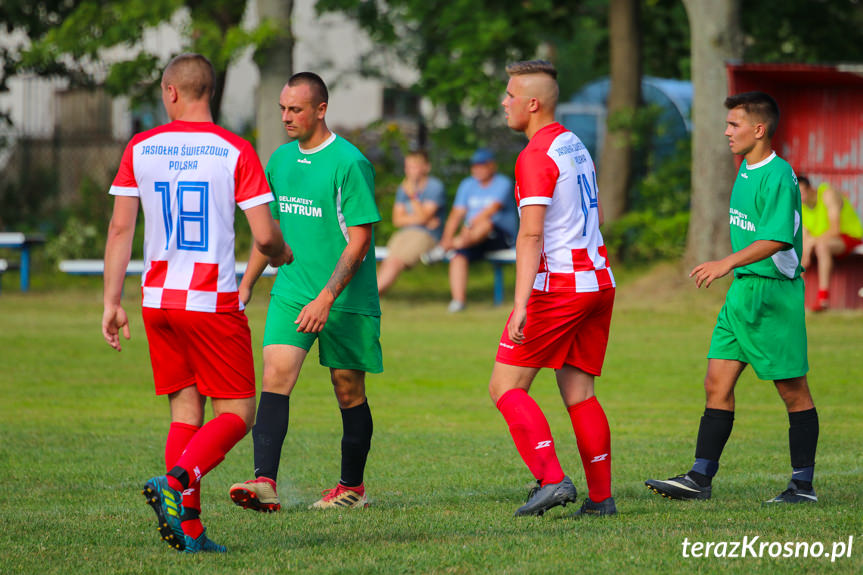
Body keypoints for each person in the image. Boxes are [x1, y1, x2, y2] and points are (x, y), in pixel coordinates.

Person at [101, 53, 293, 553]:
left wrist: (110, 301)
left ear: (171, 92)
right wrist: (281, 253)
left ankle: (189, 530)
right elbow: (266, 236)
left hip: (156, 300)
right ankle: (177, 479)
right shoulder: (234, 149)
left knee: (186, 412)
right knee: (238, 413)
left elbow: (121, 228)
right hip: (209, 300)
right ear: (210, 90)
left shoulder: (140, 146)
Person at [645, 92, 819, 504]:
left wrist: (724, 263)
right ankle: (699, 478)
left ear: (759, 130)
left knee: (793, 390)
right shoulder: (745, 167)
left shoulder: (778, 174)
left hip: (772, 295)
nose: (726, 132)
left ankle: (803, 486)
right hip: (742, 293)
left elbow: (777, 239)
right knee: (715, 383)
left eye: (733, 124)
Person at [229, 72, 382, 512]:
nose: (286, 117)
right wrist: (247, 282)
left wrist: (327, 298)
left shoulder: (349, 163)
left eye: (295, 109)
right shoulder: (279, 161)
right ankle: (264, 483)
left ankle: (351, 489)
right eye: (282, 108)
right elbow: (271, 232)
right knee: (276, 374)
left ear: (321, 109)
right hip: (293, 290)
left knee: (348, 388)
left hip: (345, 296)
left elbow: (359, 240)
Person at [491, 60, 617, 518]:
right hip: (599, 282)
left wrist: (521, 303)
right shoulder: (574, 143)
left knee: (505, 385)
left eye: (509, 94)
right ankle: (601, 500)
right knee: (579, 391)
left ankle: (551, 479)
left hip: (560, 287)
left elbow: (530, 235)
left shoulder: (534, 155)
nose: (504, 102)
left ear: (533, 103)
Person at [438, 147, 517, 312]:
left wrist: (466, 228)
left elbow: (491, 211)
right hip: (470, 239)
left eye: (482, 165)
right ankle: (458, 302)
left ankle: (450, 246)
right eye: (475, 166)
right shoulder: (467, 184)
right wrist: (446, 237)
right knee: (458, 257)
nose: (477, 169)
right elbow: (456, 214)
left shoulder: (503, 183)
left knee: (485, 224)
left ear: (492, 166)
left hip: (500, 236)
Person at [377, 150, 447, 295]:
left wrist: (412, 196)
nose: (409, 171)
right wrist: (422, 219)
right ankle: (371, 298)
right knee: (388, 261)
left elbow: (423, 218)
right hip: (405, 233)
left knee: (396, 262)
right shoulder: (404, 188)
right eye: (407, 167)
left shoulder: (434, 187)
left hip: (427, 235)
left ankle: (371, 298)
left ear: (426, 167)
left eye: (414, 166)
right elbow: (397, 220)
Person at [798, 176, 863, 311]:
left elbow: (835, 230)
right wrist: (805, 251)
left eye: (802, 192)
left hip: (849, 236)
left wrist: (812, 242)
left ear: (811, 189)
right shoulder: (800, 207)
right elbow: (805, 238)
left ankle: (823, 299)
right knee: (800, 250)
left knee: (821, 246)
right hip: (824, 242)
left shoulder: (827, 194)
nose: (800, 196)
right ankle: (793, 297)